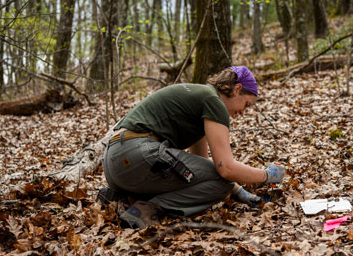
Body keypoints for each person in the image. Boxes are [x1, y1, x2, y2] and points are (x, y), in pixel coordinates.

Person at [98, 66, 285, 228]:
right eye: (246, 104)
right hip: (138, 155)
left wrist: (238, 190)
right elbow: (225, 169)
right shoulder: (214, 102)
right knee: (222, 185)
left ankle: (123, 197)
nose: (243, 112)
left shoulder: (201, 98)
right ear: (237, 89)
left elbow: (202, 165)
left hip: (115, 164)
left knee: (214, 181)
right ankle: (145, 210)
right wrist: (267, 176)